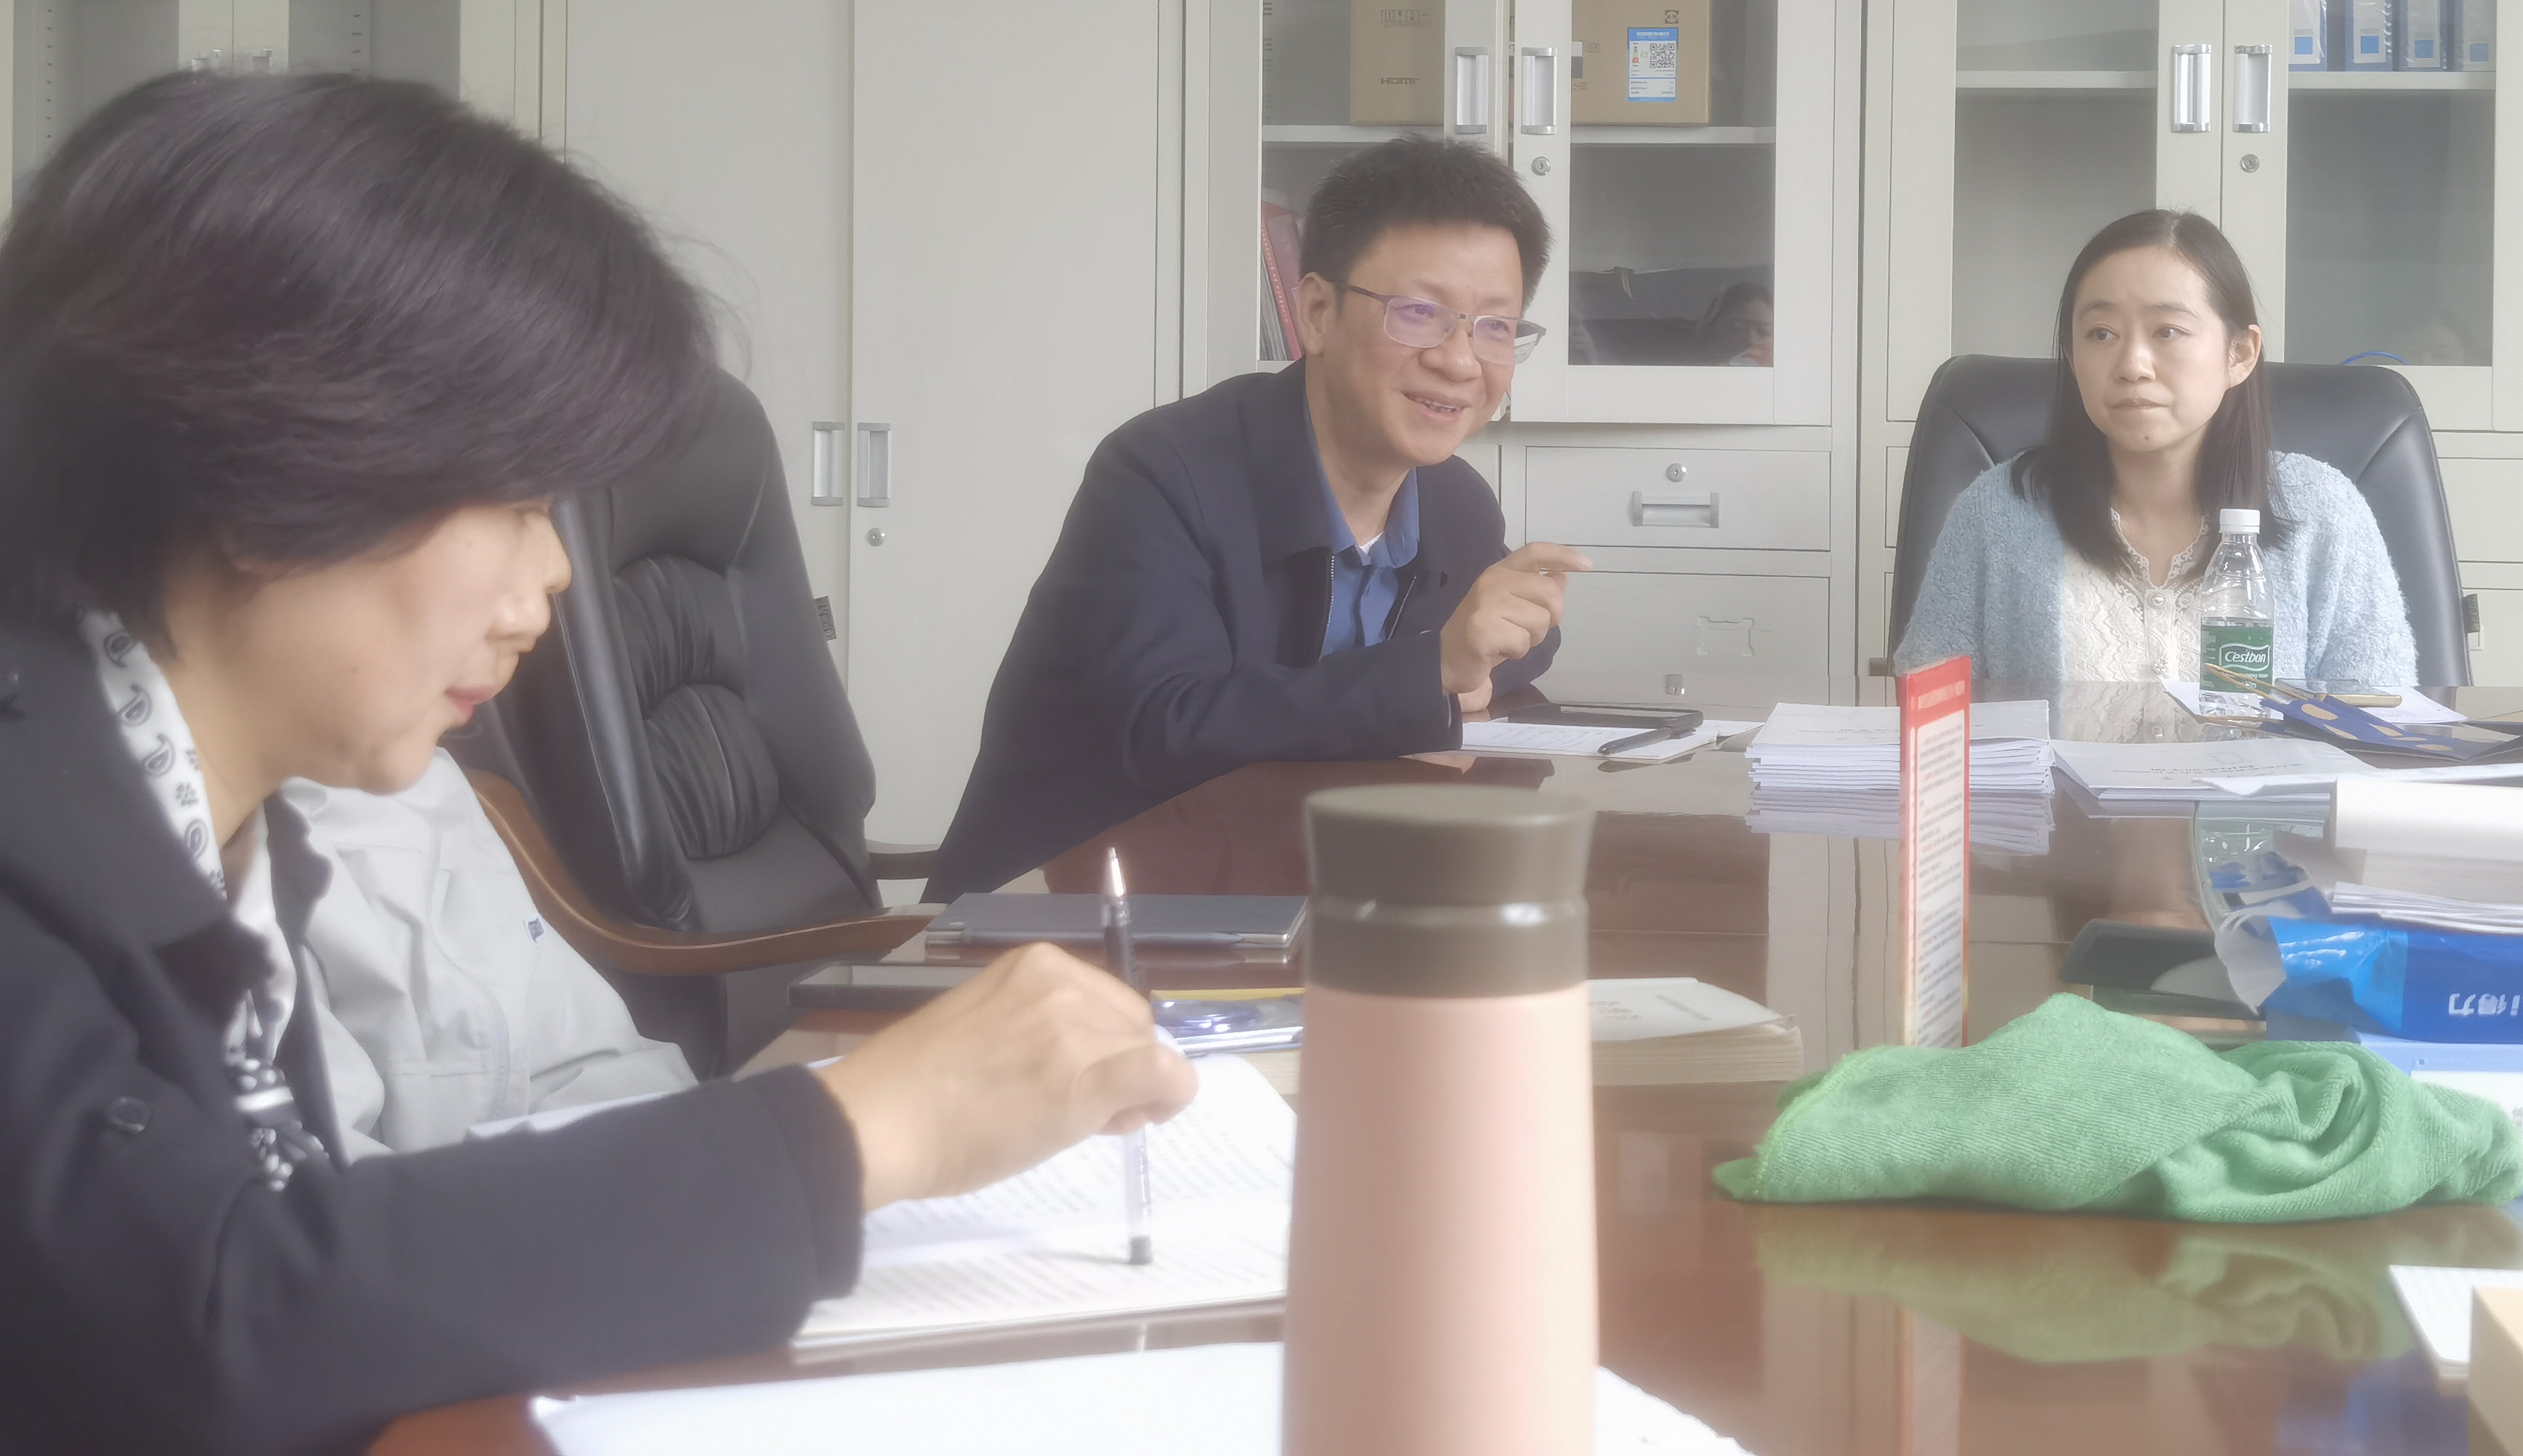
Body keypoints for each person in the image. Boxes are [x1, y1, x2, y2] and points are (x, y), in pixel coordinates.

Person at [0, 72, 1195, 1453]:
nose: (557, 578)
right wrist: (864, 1130)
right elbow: (205, 1318)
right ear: (267, 466)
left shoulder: (227, 830)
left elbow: (277, 1265)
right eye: (518, 501)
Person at [926, 136, 1584, 900]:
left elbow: (1501, 644)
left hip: (1296, 888)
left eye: (1496, 326)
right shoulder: (1162, 472)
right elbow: (1165, 729)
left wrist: (1470, 658)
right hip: (1069, 911)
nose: (1461, 361)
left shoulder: (1453, 498)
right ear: (1317, 313)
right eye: (1419, 312)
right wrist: (1430, 672)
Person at [1894, 209, 2417, 689]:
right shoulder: (1996, 514)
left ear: (2239, 354)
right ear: (2072, 358)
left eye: (2168, 331)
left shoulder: (2321, 511)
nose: (2132, 365)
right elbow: (1930, 712)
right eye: (2101, 334)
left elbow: (2383, 718)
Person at [294, 752, 695, 1154]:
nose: (487, 697)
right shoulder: (277, 882)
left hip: (594, 1148)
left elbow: (579, 1047)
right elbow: (333, 1169)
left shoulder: (433, 780)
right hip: (456, 1183)